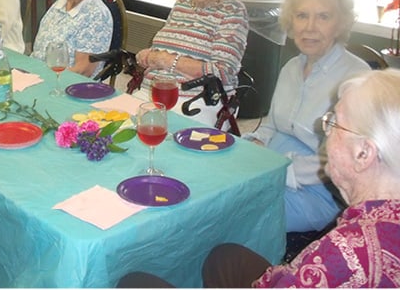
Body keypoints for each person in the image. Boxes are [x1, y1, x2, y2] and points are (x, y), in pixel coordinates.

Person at [119, 68, 400, 288]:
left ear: (364, 153)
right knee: (224, 258)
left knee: (133, 282)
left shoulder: (346, 251)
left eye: (334, 123)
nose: (325, 131)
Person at [244, 0, 369, 233]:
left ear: (340, 24)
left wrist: (279, 172)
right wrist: (254, 143)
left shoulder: (356, 78)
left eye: (323, 17)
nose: (309, 27)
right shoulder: (291, 67)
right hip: (272, 167)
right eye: (301, 15)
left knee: (241, 215)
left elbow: (343, 159)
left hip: (318, 190)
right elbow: (274, 124)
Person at [134, 0, 248, 124]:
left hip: (196, 101)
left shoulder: (232, 11)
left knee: (149, 133)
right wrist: (149, 56)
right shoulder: (181, 4)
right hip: (153, 92)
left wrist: (166, 60)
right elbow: (162, 49)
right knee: (112, 123)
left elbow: (223, 72)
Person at [31, 0, 112, 77]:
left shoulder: (96, 15)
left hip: (66, 87)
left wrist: (41, 79)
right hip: (37, 76)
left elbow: (82, 71)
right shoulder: (59, 5)